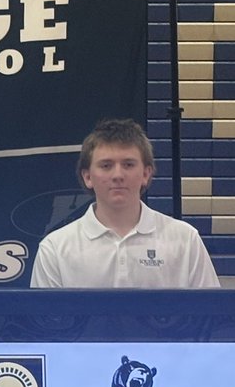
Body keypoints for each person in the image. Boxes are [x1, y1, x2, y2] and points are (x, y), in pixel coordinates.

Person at [30, 118, 219, 288]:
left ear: (146, 174)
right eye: (106, 166)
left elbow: (209, 312)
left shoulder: (185, 240)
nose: (118, 175)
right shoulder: (55, 248)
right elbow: (45, 317)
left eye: (128, 164)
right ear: (88, 177)